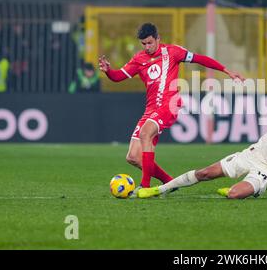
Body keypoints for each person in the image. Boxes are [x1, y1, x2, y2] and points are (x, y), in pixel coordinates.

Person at [99, 23, 244, 196]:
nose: (147, 47)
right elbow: (118, 77)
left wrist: (226, 71)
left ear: (158, 39)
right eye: (143, 44)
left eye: (150, 43)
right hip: (151, 109)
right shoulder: (139, 59)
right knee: (133, 157)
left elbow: (200, 59)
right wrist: (108, 71)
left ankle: (145, 187)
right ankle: (169, 182)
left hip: (169, 105)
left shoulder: (173, 52)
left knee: (146, 134)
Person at [138, 84, 267, 201]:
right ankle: (160, 189)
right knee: (205, 173)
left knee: (234, 194)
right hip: (251, 154)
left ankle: (247, 189)